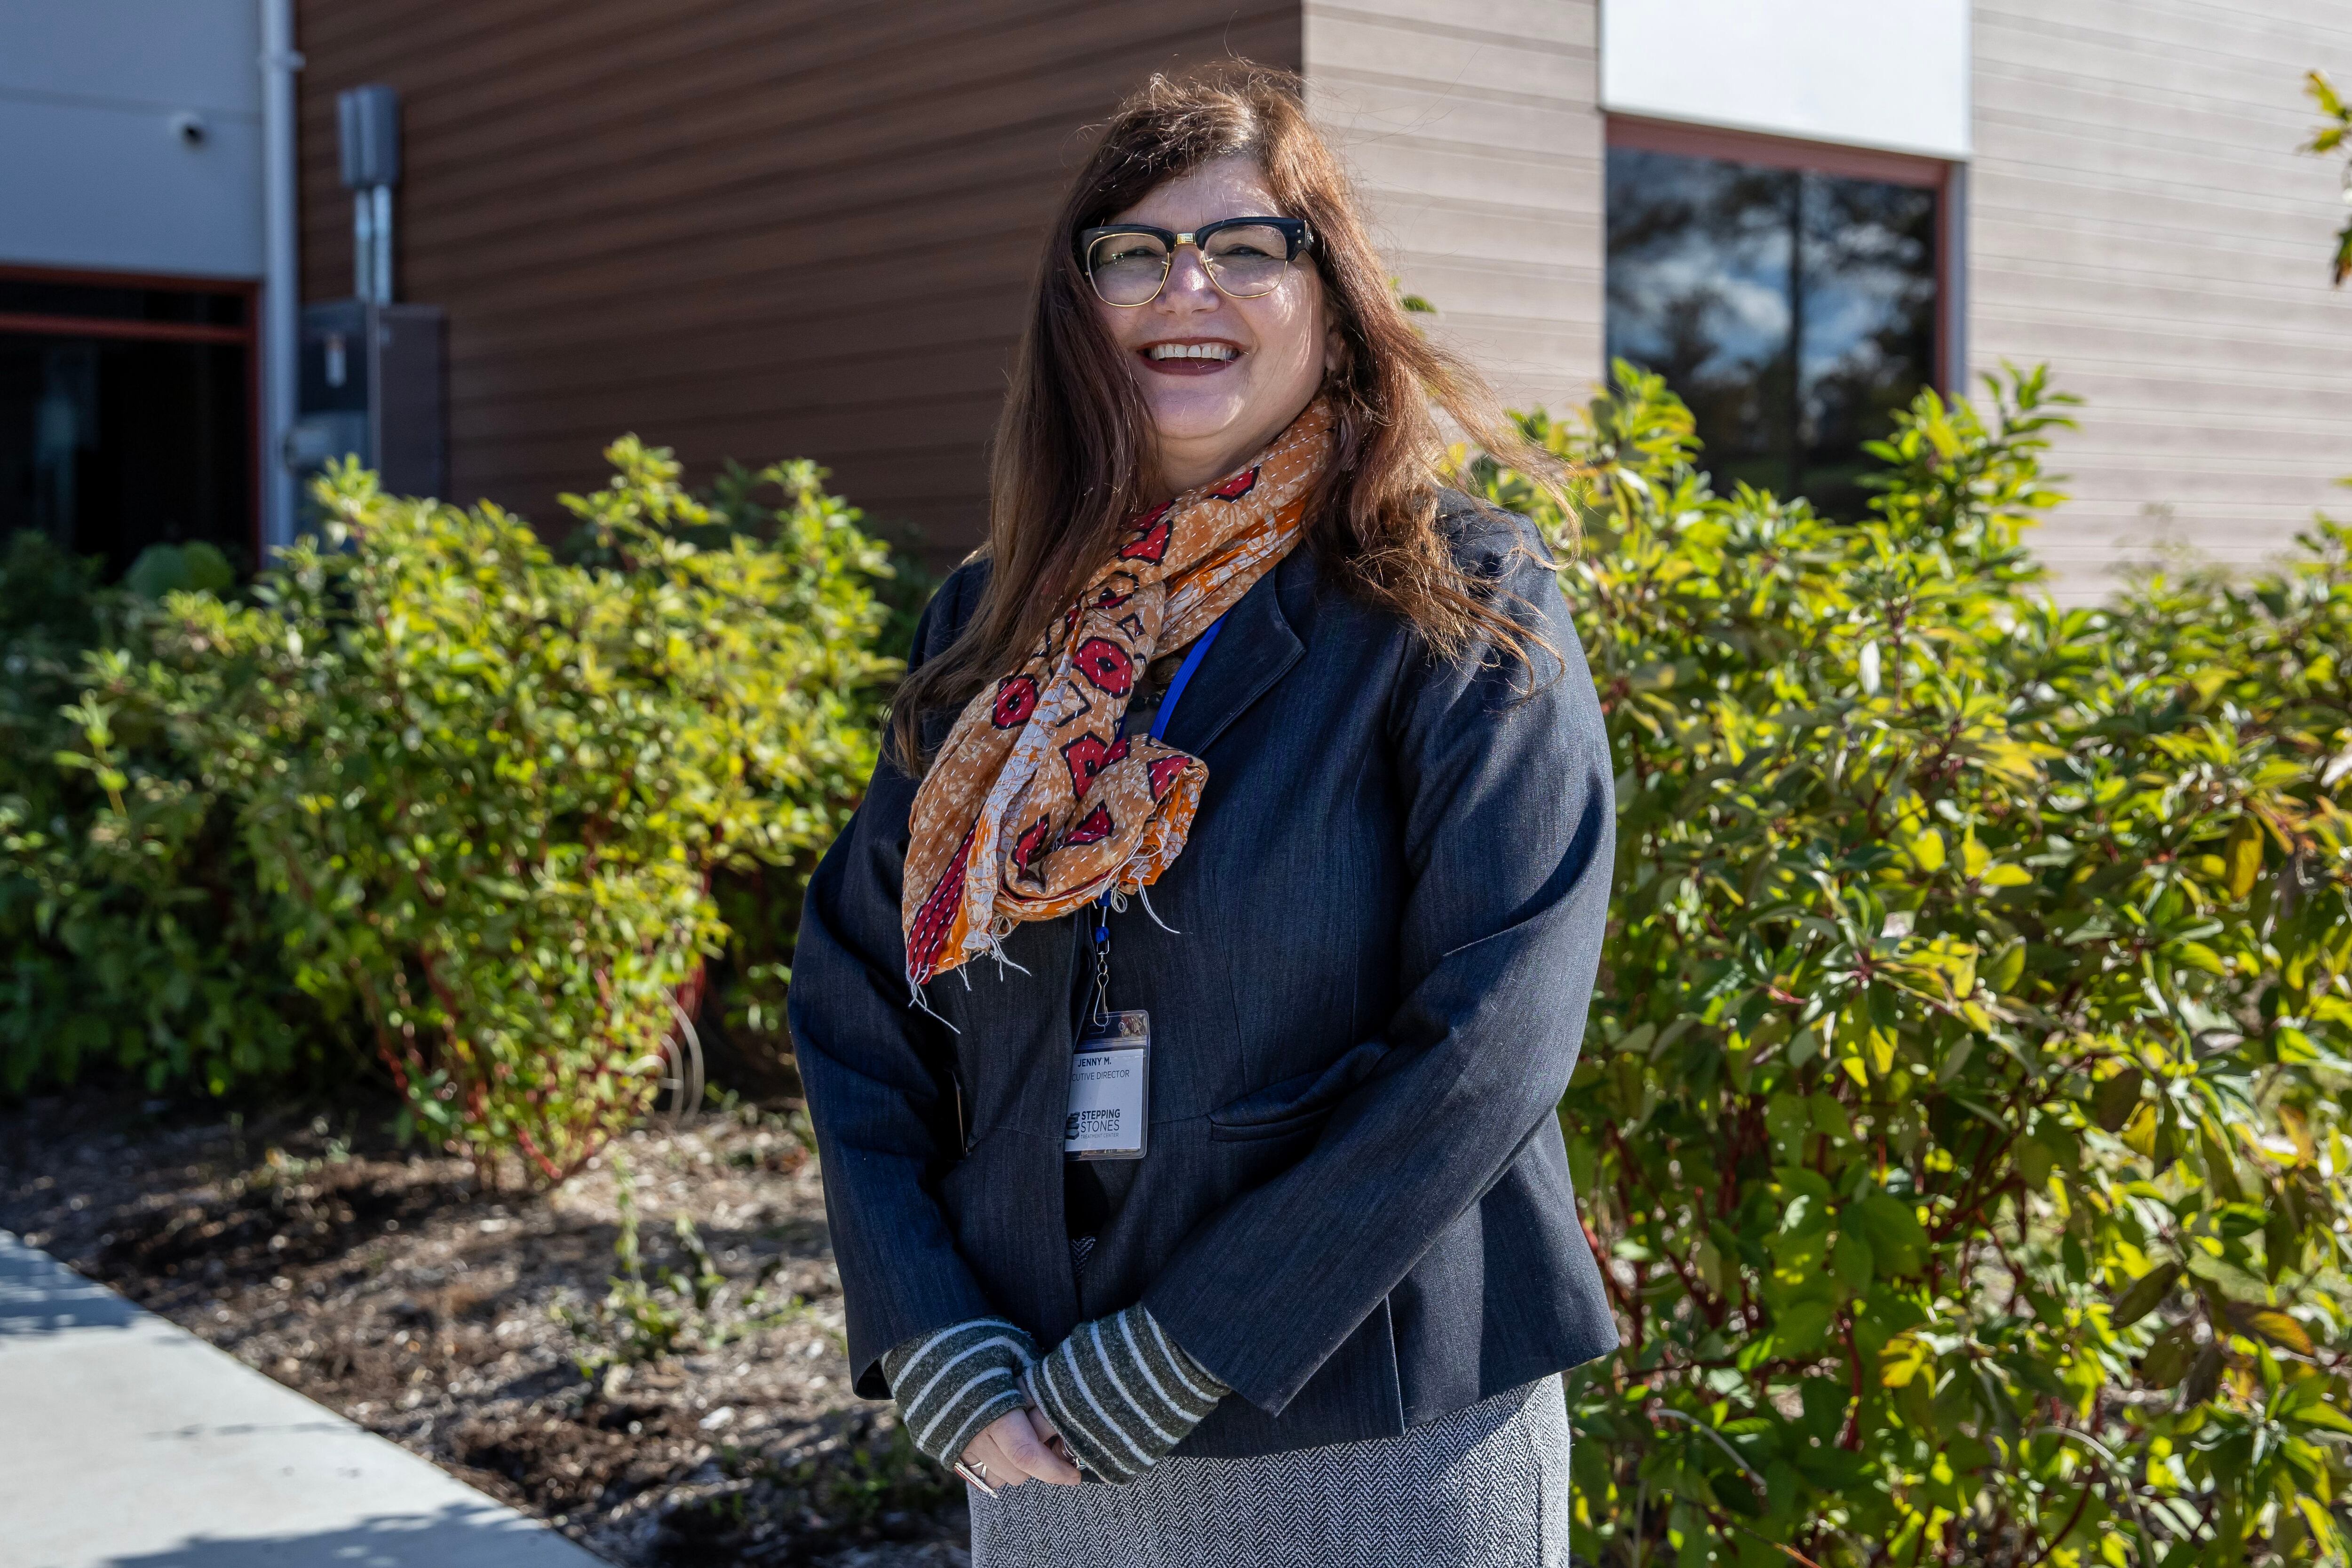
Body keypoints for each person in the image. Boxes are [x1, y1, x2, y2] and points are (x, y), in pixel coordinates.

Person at [788, 64, 1617, 1566]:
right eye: (1135, 253)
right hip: (1039, 1422)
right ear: (1081, 310)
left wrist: (1200, 1341)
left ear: (1330, 296)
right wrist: (926, 1328)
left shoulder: (1458, 596)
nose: (1189, 286)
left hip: (1378, 1417)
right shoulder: (991, 622)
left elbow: (1499, 1033)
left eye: (1246, 247)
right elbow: (857, 995)